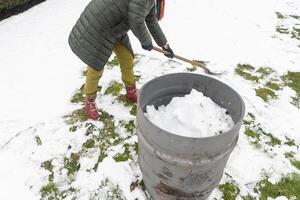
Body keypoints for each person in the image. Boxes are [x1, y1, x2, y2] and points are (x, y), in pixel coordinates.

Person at [68, 0, 174, 120]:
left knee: (127, 57)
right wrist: (146, 42)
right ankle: (89, 100)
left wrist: (164, 45)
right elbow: (136, 21)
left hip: (115, 27)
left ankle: (131, 91)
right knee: (96, 66)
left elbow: (151, 21)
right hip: (99, 27)